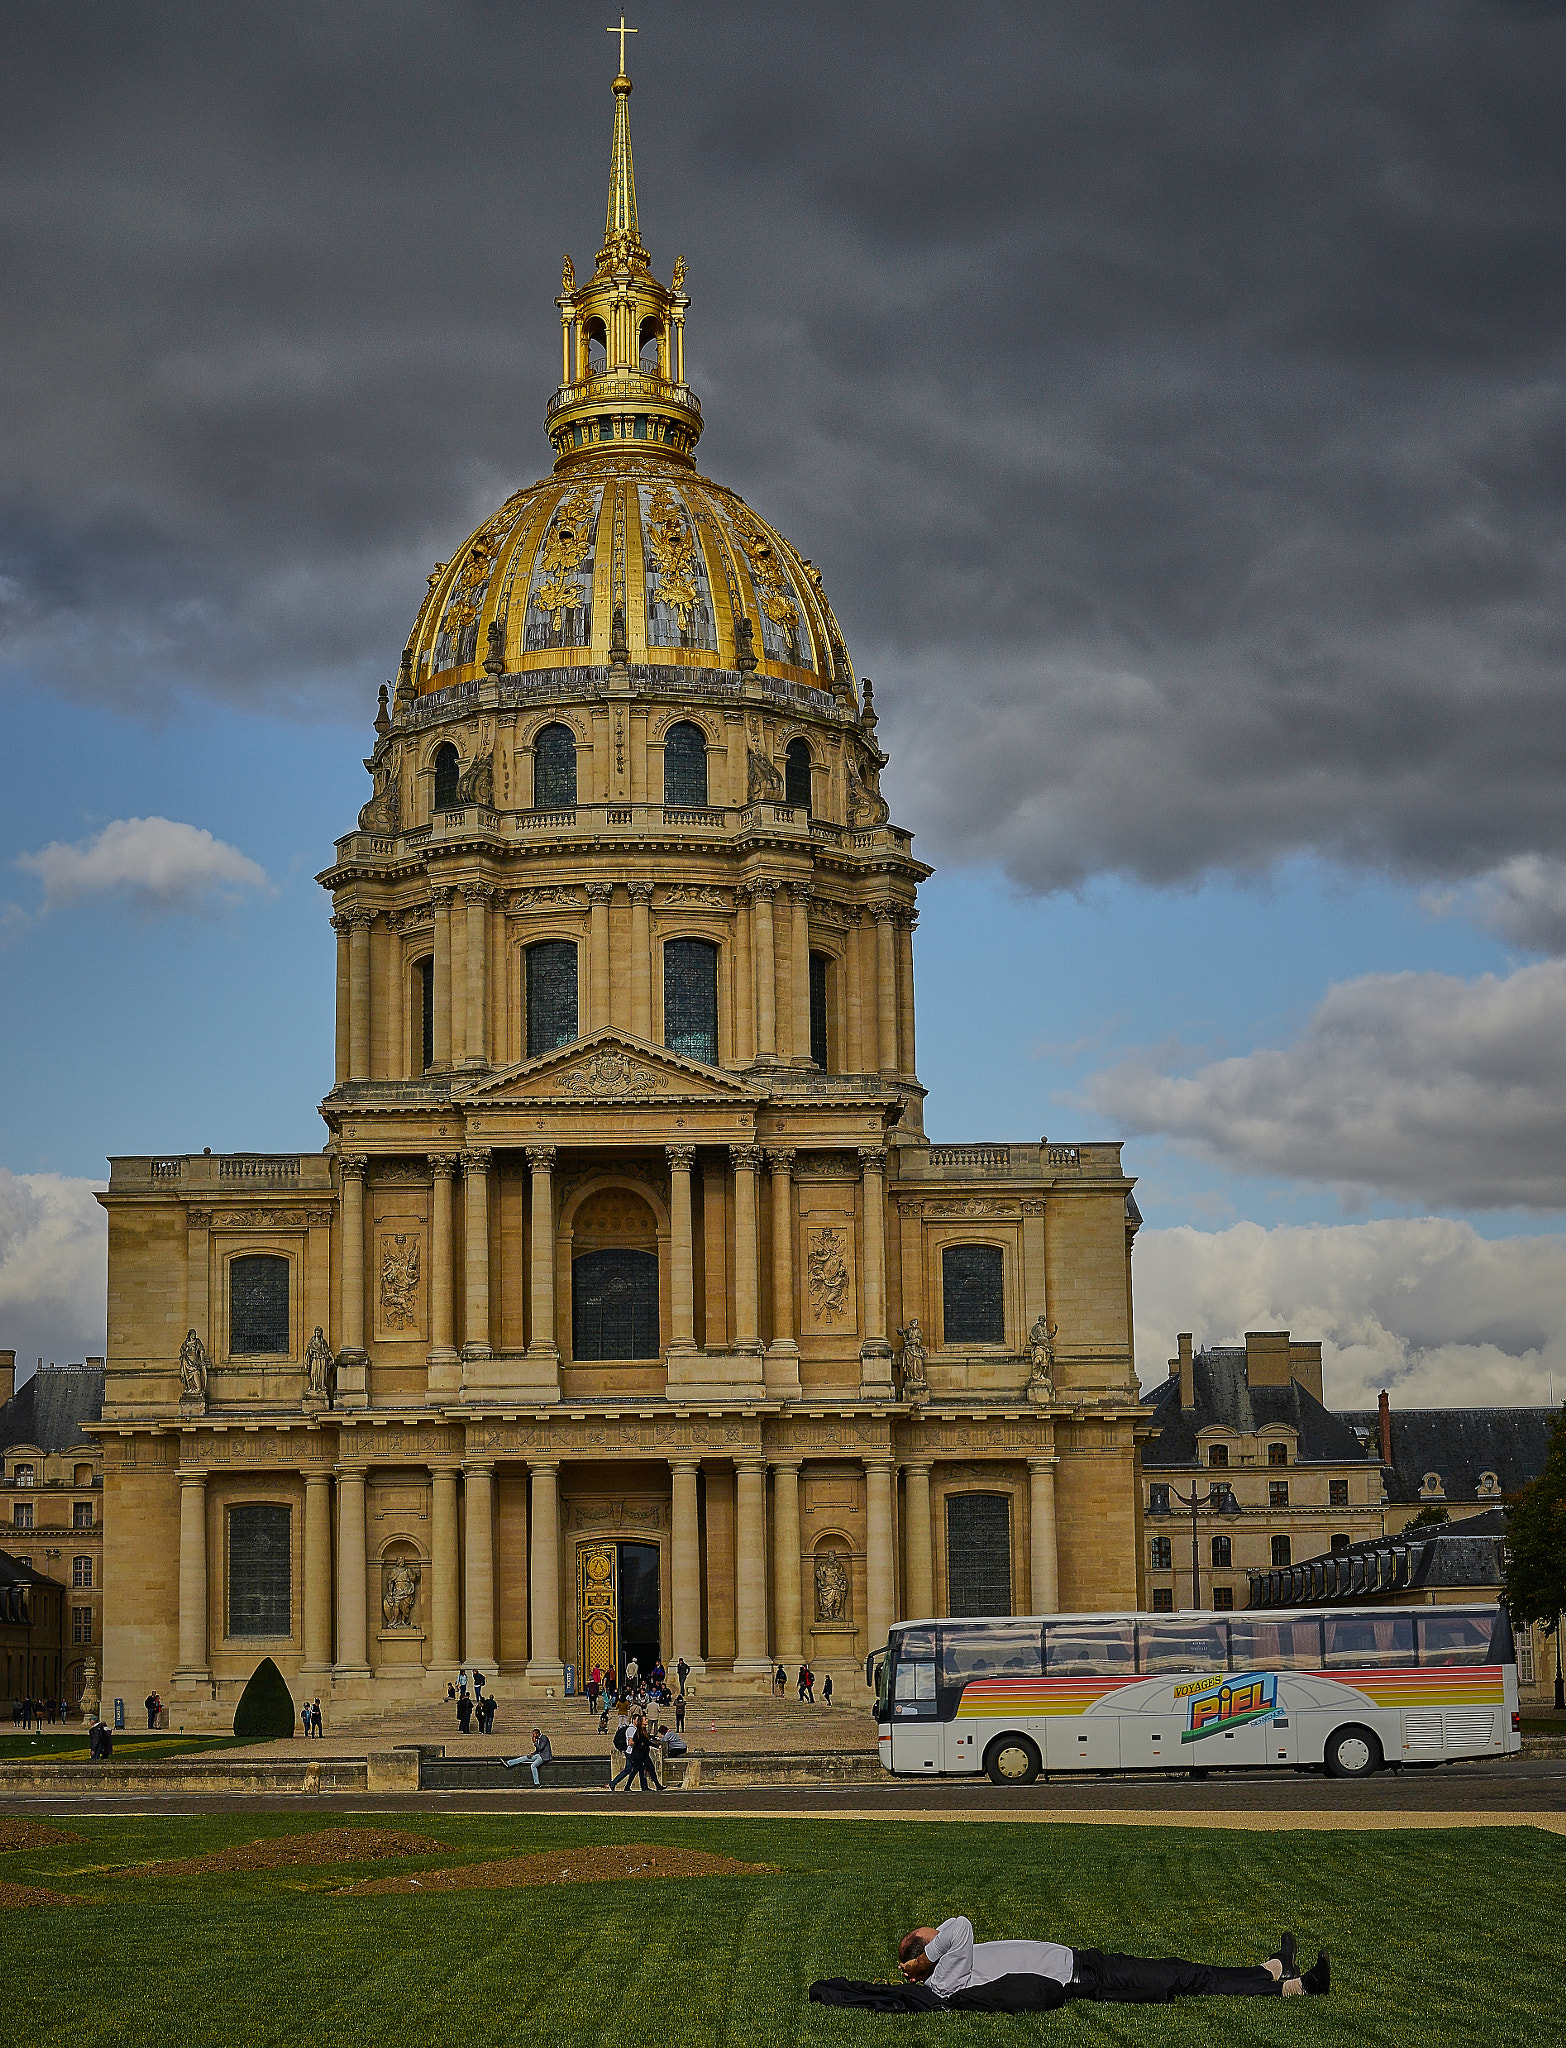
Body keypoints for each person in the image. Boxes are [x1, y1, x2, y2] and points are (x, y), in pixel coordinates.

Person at [897, 1919, 1328, 2004]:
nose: (936, 1931)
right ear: (924, 1956)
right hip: (1084, 1978)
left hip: (1084, 1961)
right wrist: (922, 1967)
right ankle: (1293, 1987)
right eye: (927, 1936)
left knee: (1179, 1967)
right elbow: (961, 1925)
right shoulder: (943, 1980)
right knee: (1182, 1977)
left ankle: (1268, 1970)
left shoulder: (951, 1965)